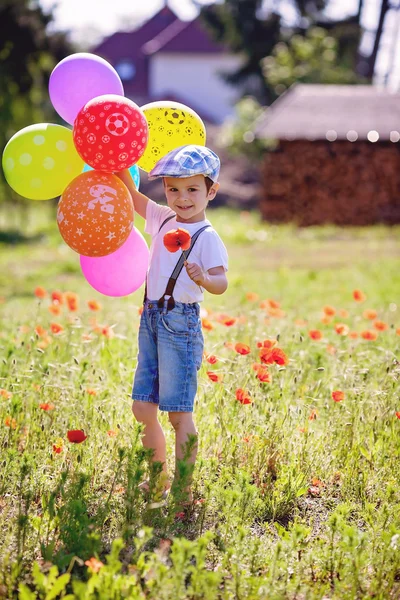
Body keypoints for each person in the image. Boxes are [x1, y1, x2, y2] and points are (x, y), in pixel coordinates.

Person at [116, 144, 228, 510]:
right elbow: (132, 197)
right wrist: (114, 162)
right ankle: (157, 478)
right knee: (142, 407)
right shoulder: (163, 219)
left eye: (193, 189)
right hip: (150, 317)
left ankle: (182, 491)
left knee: (179, 412)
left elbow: (221, 282)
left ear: (211, 191)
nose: (182, 198)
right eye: (173, 188)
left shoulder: (207, 236)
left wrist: (204, 278)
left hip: (180, 322)